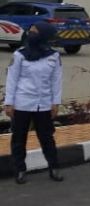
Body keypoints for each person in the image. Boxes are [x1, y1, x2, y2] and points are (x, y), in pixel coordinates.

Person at [3, 23, 64, 184]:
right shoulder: (19, 55)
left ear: (44, 35)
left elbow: (56, 81)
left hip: (43, 104)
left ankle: (54, 167)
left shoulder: (54, 56)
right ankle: (20, 170)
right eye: (30, 31)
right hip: (22, 103)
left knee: (47, 138)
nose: (31, 34)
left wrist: (55, 103)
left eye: (35, 32)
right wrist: (9, 103)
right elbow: (12, 80)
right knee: (18, 138)